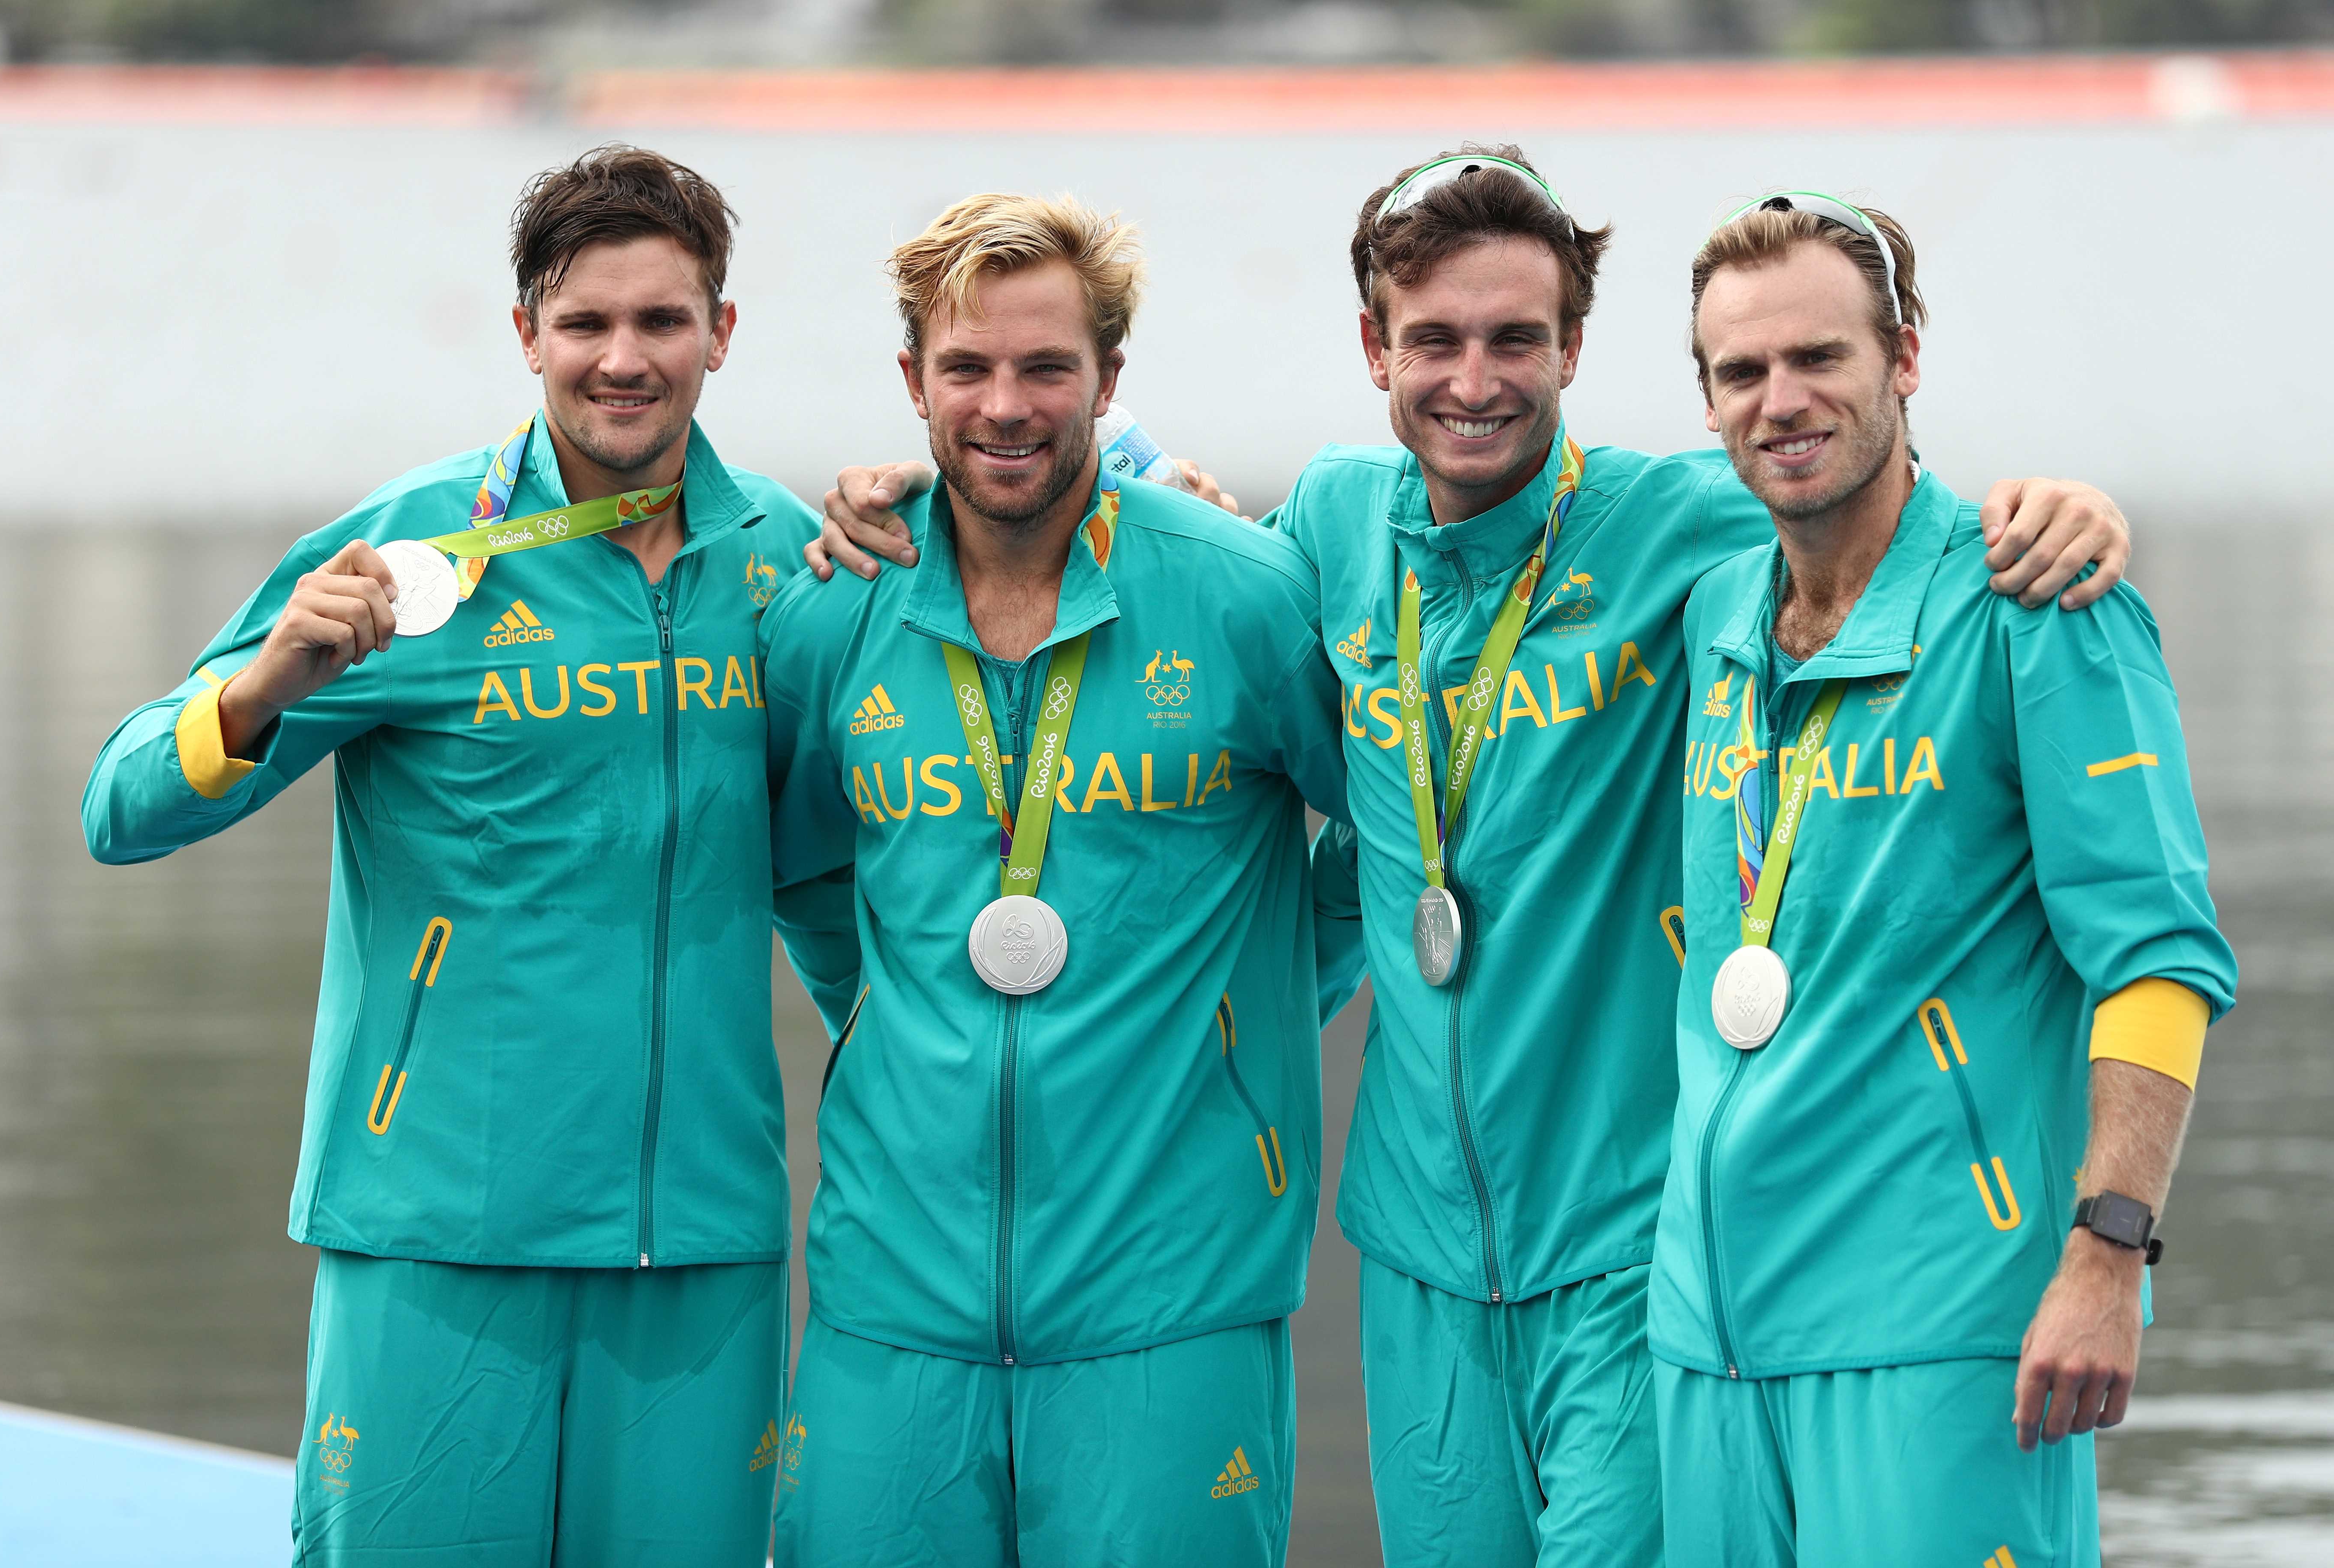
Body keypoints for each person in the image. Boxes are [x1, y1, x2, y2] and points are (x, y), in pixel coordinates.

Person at [805, 149, 2135, 1568]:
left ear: (1573, 347)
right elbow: (1116, 524)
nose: (1474, 380)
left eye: (1516, 339)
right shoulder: (1322, 526)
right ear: (1374, 347)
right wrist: (891, 488)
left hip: (1633, 1250)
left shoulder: (1682, 521)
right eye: (1433, 339)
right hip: (1415, 1252)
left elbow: (1840, 468)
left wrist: (2051, 504)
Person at [80, 146, 818, 1567]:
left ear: (723, 335)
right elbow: (121, 809)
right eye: (585, 323)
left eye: (662, 321)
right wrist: (268, 681)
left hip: (704, 1238)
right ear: (526, 333)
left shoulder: (788, 562)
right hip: (438, 1227)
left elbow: (850, 875)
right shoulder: (414, 556)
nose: (623, 360)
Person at [759, 192, 1348, 1568]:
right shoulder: (837, 609)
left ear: (1110, 380)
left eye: (1046, 367)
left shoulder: (1244, 592)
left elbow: (1391, 837)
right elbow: (801, 866)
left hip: (1175, 1297)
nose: (1005, 405)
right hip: (889, 1300)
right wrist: (890, 1013)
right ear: (913, 383)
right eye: (966, 368)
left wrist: (1238, 1018)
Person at [1655, 194, 2236, 1567]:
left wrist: (2107, 1261)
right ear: (1709, 399)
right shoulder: (1715, 620)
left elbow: (2159, 960)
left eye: (1821, 359)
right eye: (1741, 372)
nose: (1782, 400)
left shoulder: (2039, 606)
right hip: (1708, 1339)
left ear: (1903, 359)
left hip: (1942, 1332)